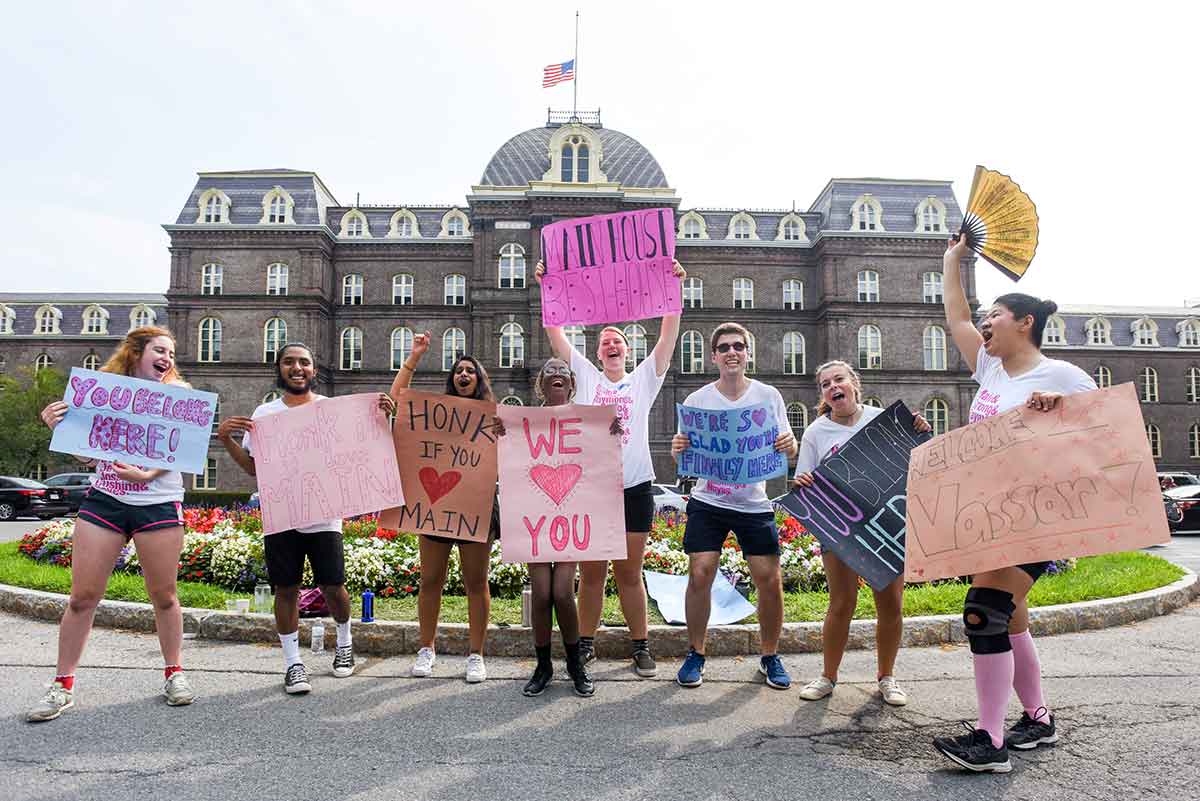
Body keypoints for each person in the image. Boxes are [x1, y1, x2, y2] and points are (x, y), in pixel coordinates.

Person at [931, 237, 1097, 773]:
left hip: (1035, 512)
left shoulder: (1064, 376)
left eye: (994, 315)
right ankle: (1038, 718)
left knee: (985, 613)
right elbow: (955, 313)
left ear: (1023, 323)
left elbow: (1103, 437)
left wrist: (1062, 409)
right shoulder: (992, 371)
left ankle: (990, 741)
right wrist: (952, 261)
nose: (983, 323)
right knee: (1012, 618)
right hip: (990, 512)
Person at [29, 326, 196, 721]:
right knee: (82, 597)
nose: (167, 359)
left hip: (157, 502)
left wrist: (147, 475)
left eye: (171, 353)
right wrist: (60, 427)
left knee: (165, 596)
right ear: (136, 352)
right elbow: (89, 458)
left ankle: (175, 672)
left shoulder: (180, 396)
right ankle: (62, 685)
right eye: (160, 350)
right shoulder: (103, 393)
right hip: (106, 499)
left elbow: (182, 452)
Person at [534, 258, 687, 678]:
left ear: (627, 349)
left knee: (629, 573)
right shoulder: (586, 377)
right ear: (598, 353)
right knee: (594, 573)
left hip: (636, 487)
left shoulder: (643, 379)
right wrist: (548, 286)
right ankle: (586, 644)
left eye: (616, 339)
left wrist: (672, 289)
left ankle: (641, 645)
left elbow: (668, 336)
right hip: (596, 488)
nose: (610, 343)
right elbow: (557, 334)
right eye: (603, 341)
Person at [217, 343, 395, 695]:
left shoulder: (330, 409)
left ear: (314, 370)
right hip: (282, 513)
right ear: (279, 368)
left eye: (304, 363)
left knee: (333, 586)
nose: (296, 368)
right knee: (286, 588)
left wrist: (381, 416)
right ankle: (293, 664)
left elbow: (360, 449)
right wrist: (226, 440)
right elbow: (255, 469)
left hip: (324, 514)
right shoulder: (264, 413)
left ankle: (344, 643)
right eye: (289, 362)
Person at [792, 360, 931, 707]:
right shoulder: (816, 432)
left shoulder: (881, 421)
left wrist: (921, 432)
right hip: (839, 525)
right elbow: (802, 480)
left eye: (838, 379)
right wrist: (802, 481)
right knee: (841, 603)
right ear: (823, 394)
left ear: (854, 383)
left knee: (890, 604)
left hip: (886, 523)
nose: (832, 387)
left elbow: (918, 461)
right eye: (825, 384)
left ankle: (887, 678)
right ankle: (827, 677)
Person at [671, 322, 798, 690]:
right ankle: (696, 653)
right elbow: (685, 456)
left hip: (753, 502)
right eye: (724, 347)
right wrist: (678, 449)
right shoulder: (697, 402)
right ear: (713, 356)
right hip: (708, 500)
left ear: (747, 353)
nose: (731, 352)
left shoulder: (768, 395)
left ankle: (770, 656)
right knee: (700, 572)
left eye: (738, 346)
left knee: (769, 580)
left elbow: (787, 449)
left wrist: (789, 444)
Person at [500, 358, 617, 697]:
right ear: (541, 385)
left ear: (571, 383)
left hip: (570, 518)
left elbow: (601, 461)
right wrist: (501, 434)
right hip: (536, 518)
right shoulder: (525, 423)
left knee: (563, 593)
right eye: (549, 371)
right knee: (541, 593)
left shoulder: (586, 421)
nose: (556, 374)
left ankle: (574, 664)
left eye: (562, 371)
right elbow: (512, 464)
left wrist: (613, 432)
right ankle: (543, 665)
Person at [389, 331, 499, 683]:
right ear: (452, 380)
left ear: (480, 380)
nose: (463, 375)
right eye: (458, 371)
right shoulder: (435, 413)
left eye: (471, 371)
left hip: (476, 506)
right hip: (436, 506)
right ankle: (426, 648)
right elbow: (397, 400)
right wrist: (415, 356)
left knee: (476, 583)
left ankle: (476, 654)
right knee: (431, 580)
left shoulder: (491, 419)